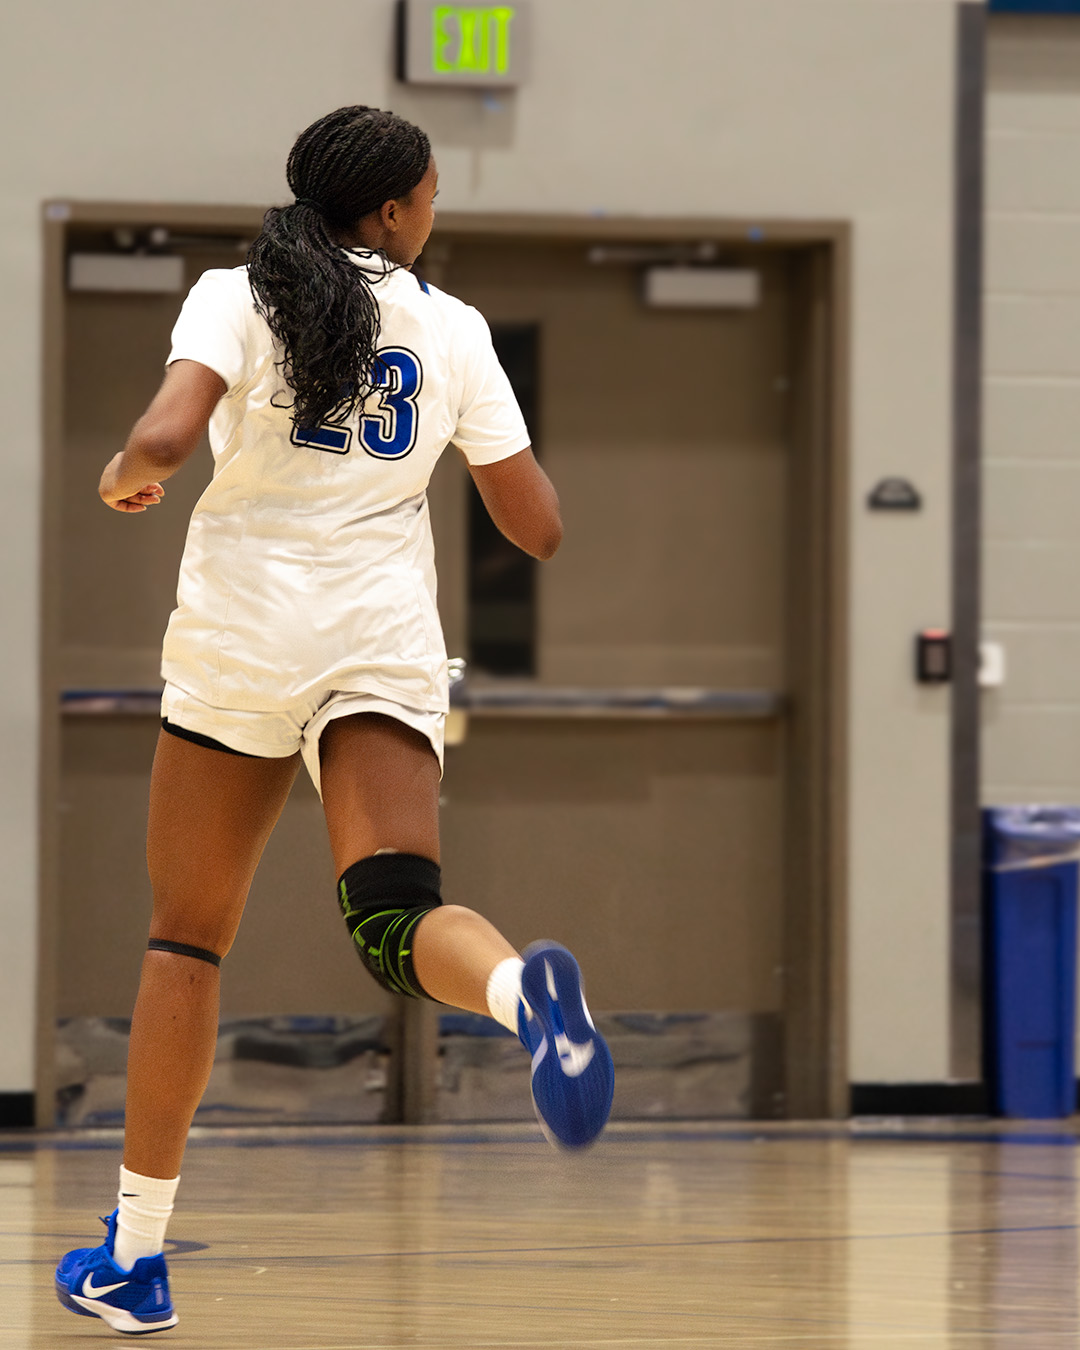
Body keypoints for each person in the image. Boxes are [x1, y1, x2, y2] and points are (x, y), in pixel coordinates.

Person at [54, 105, 614, 1336]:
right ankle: (521, 996)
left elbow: (163, 436)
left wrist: (123, 477)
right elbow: (537, 528)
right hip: (377, 645)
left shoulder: (236, 293)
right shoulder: (455, 328)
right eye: (433, 197)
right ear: (397, 209)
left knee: (186, 944)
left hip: (242, 642)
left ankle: (134, 1259)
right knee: (394, 909)